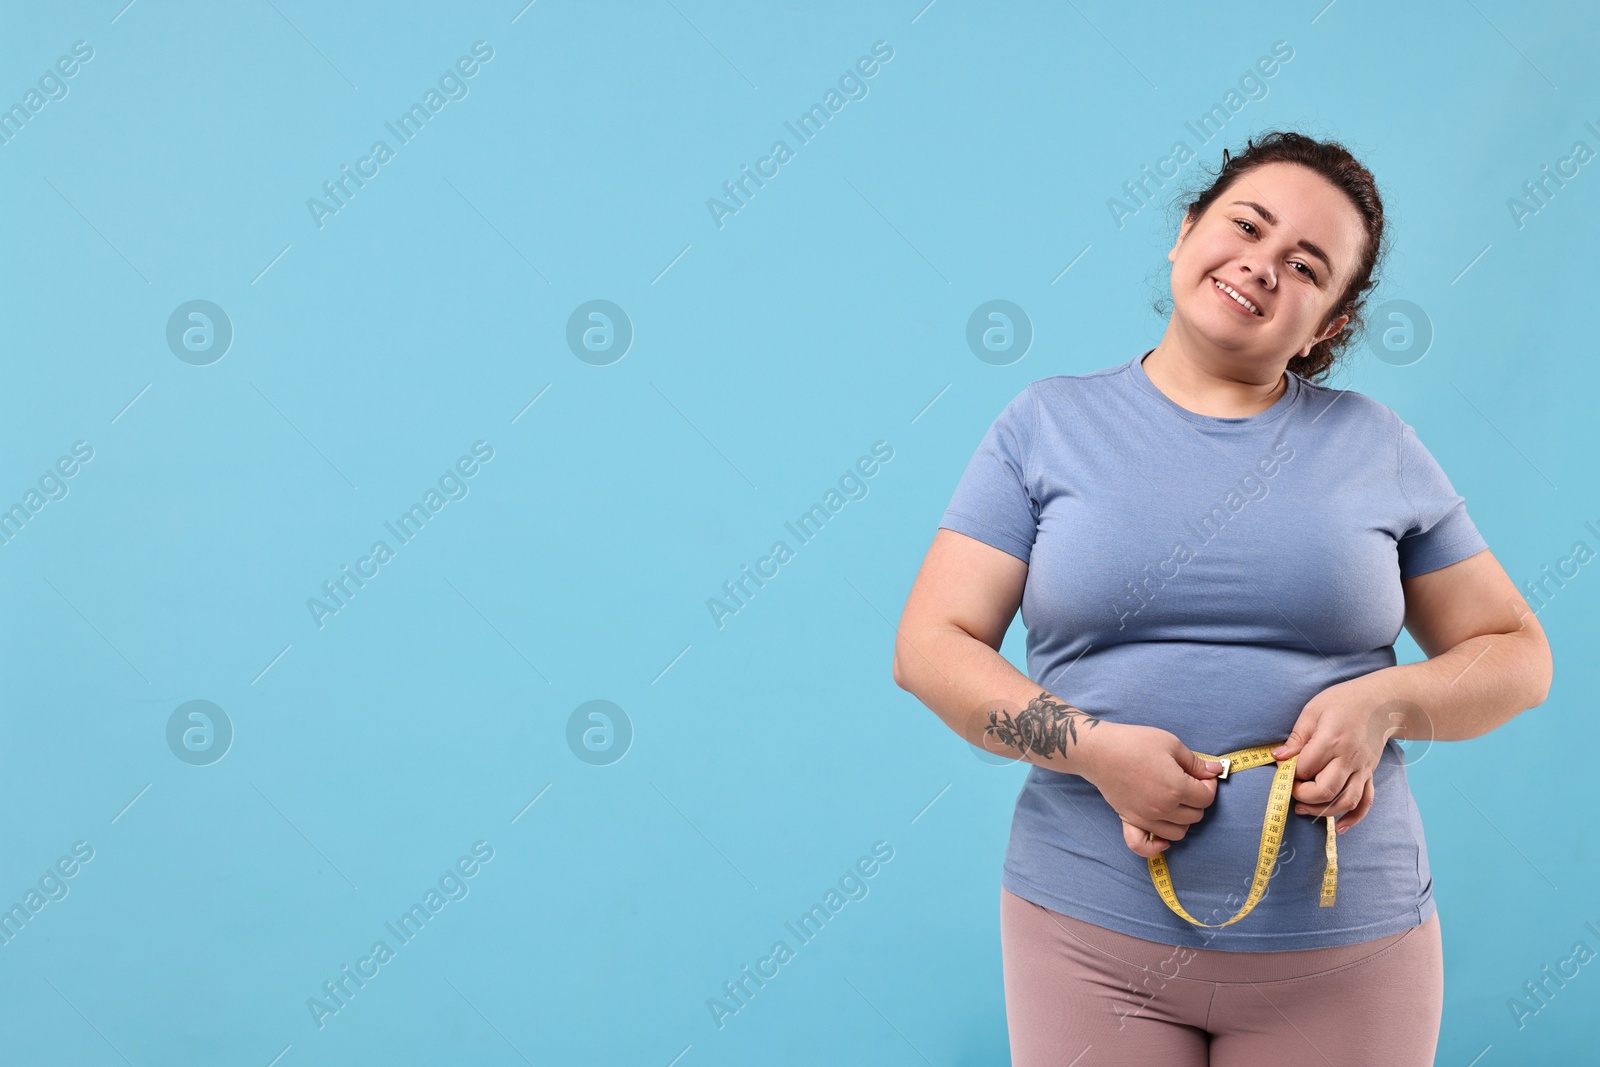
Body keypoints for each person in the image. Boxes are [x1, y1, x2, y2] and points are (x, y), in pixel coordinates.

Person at [891, 130, 1553, 1066]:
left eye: (1307, 265)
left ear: (1328, 325)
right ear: (1186, 230)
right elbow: (929, 645)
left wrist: (1388, 701)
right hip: (1086, 939)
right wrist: (1092, 750)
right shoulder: (1044, 425)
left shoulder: (1379, 446)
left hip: (1347, 953)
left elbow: (1519, 653)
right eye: (1247, 223)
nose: (1262, 265)